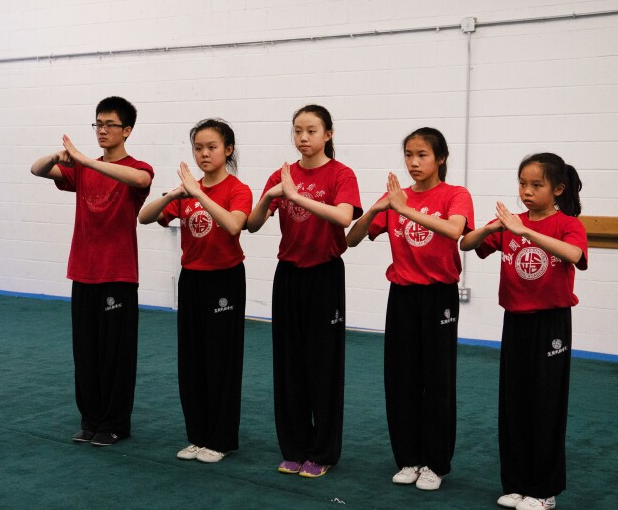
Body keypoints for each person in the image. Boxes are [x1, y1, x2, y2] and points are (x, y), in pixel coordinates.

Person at [346, 127, 474, 491]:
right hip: (402, 295)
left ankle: (435, 463)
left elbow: (453, 232)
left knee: (436, 379)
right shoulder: (396, 199)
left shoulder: (455, 194)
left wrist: (405, 210)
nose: (414, 163)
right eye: (408, 155)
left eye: (422, 155)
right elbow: (350, 240)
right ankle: (409, 458)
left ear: (441, 158)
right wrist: (379, 207)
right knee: (401, 379)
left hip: (439, 296)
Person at [460, 153, 586, 510]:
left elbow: (575, 254)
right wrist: (490, 229)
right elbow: (467, 244)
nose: (526, 192)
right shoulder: (510, 223)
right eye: (522, 184)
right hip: (515, 321)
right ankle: (515, 483)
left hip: (551, 323)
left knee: (545, 405)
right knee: (514, 403)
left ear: (558, 189)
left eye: (536, 185)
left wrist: (526, 231)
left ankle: (544, 491)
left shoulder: (567, 223)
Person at [246, 104, 361, 478]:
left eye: (311, 131)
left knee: (322, 364)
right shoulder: (282, 175)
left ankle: (322, 452)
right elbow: (252, 224)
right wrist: (271, 195)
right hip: (289, 275)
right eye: (297, 131)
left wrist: (296, 197)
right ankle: (293, 447)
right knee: (289, 363)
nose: (303, 138)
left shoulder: (341, 174)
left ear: (328, 134)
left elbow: (344, 217)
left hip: (325, 275)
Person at [30, 96, 153, 447]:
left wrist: (86, 161)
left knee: (116, 353)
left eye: (109, 125)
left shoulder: (136, 167)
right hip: (83, 273)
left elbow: (140, 179)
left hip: (119, 275)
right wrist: (59, 157)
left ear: (126, 130)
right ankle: (90, 420)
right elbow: (37, 169)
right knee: (86, 353)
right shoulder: (82, 169)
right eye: (98, 124)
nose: (102, 130)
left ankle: (114, 423)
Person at [138, 118, 252, 464]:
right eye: (198, 148)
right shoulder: (186, 191)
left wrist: (199, 193)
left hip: (225, 281)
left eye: (211, 147)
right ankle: (197, 435)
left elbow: (234, 225)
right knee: (192, 360)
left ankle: (220, 439)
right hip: (192, 280)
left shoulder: (238, 189)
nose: (204, 154)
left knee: (221, 360)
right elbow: (144, 216)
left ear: (228, 150)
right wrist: (176, 192)